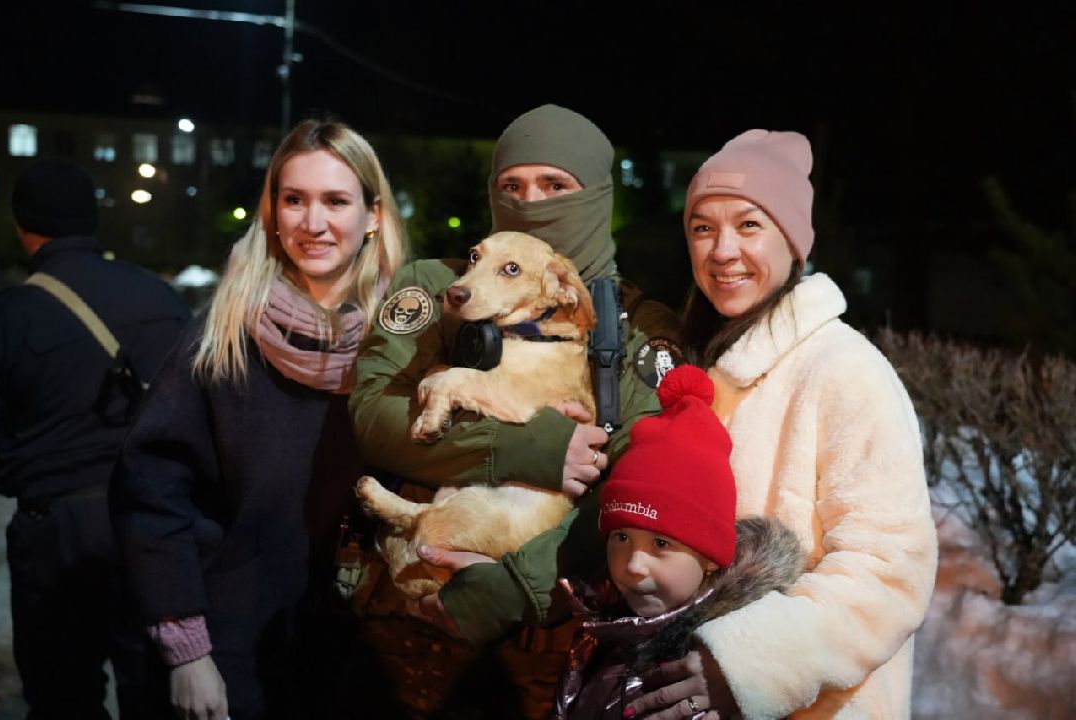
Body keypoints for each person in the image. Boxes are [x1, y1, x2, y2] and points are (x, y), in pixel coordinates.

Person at [349, 103, 683, 718]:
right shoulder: (436, 286)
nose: (532, 202)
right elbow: (374, 419)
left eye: (556, 185)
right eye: (512, 186)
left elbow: (640, 485)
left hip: (550, 649)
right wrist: (529, 447)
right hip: (400, 637)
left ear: (596, 196)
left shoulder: (636, 330)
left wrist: (512, 589)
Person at [623, 129, 938, 718]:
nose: (722, 250)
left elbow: (889, 572)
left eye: (749, 225)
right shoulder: (698, 366)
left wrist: (745, 662)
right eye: (702, 227)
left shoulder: (845, 370)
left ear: (792, 242)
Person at [109, 118, 406, 720]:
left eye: (335, 201)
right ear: (271, 211)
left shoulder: (408, 342)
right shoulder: (223, 336)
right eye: (293, 199)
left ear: (373, 215)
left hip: (367, 649)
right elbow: (151, 494)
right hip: (238, 644)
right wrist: (188, 652)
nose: (312, 222)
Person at [0, 158, 190, 718]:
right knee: (153, 692)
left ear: (21, 226)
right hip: (155, 523)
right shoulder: (160, 299)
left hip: (57, 534)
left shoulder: (12, 315)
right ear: (93, 221)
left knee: (62, 697)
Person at [554, 364, 804, 719]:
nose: (634, 564)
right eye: (621, 536)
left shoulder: (711, 676)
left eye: (661, 545)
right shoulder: (600, 629)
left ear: (711, 558)